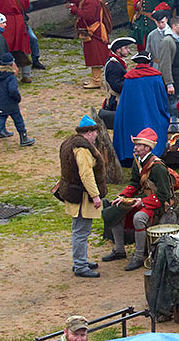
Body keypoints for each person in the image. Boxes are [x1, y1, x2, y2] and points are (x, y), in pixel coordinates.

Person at [102, 128, 173, 270]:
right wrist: (123, 196)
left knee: (139, 218)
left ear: (147, 148)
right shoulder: (138, 162)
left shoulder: (158, 168)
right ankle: (119, 250)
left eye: (138, 145)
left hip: (157, 203)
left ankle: (139, 256)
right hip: (143, 198)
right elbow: (134, 183)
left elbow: (164, 195)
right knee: (116, 209)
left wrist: (142, 202)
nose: (135, 147)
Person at [59, 115, 105, 278]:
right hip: (82, 196)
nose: (96, 136)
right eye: (95, 132)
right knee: (81, 231)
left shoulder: (70, 143)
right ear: (90, 132)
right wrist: (95, 195)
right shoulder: (83, 149)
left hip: (75, 193)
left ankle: (81, 260)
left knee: (79, 230)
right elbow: (86, 174)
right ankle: (80, 265)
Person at [112, 51, 170, 164]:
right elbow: (162, 99)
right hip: (152, 113)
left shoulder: (129, 78)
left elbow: (124, 101)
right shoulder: (156, 77)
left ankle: (130, 155)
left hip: (132, 115)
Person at [65, 0, 112, 89]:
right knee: (92, 55)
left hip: (94, 32)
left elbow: (88, 15)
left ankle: (96, 81)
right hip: (89, 31)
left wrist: (73, 8)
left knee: (95, 55)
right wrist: (73, 0)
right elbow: (81, 3)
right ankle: (95, 78)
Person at [0, 52, 35, 151]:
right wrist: (18, 98)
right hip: (11, 104)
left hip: (0, 103)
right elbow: (13, 90)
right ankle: (24, 138)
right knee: (19, 121)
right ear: (11, 64)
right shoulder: (11, 77)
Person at [157, 16, 179, 131]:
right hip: (172, 78)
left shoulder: (178, 39)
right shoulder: (168, 41)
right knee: (171, 104)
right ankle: (172, 125)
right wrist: (169, 83)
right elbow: (165, 63)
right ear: (174, 26)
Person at [103, 37, 135, 112]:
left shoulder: (117, 62)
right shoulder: (113, 65)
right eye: (126, 48)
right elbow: (116, 86)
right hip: (116, 101)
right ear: (118, 50)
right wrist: (132, 83)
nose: (128, 50)